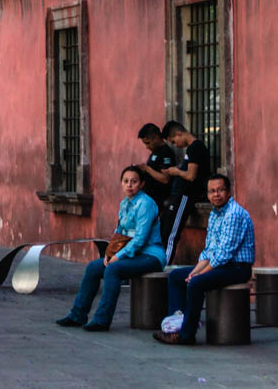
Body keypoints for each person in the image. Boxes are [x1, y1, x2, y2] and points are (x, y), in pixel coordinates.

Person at [56, 164, 166, 331]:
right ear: (121, 183)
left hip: (150, 255)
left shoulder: (146, 204)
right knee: (93, 267)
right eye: (126, 181)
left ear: (142, 184)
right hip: (130, 254)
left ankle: (102, 320)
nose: (129, 185)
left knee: (113, 269)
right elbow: (119, 232)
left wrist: (118, 257)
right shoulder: (124, 204)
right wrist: (109, 254)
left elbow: (140, 239)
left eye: (134, 181)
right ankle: (77, 315)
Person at [153, 174, 255, 346]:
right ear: (207, 195)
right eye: (212, 191)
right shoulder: (215, 214)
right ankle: (175, 327)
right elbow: (209, 252)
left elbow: (224, 254)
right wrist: (194, 272)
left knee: (196, 283)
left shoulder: (233, 214)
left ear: (229, 192)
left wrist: (196, 276)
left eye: (220, 190)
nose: (216, 194)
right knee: (176, 277)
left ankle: (186, 335)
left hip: (237, 267)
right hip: (220, 264)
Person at [160, 120, 210, 263]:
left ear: (178, 133)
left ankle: (163, 267)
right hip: (178, 195)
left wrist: (176, 171)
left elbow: (190, 175)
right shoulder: (191, 149)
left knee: (170, 235)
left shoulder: (196, 147)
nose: (176, 145)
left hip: (185, 196)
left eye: (174, 141)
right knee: (164, 229)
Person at [136, 122, 176, 210]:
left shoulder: (166, 153)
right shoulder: (155, 152)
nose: (147, 147)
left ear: (156, 138)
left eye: (148, 143)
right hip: (149, 198)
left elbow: (165, 179)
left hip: (159, 201)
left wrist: (147, 169)